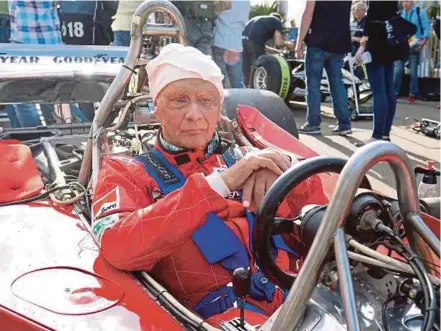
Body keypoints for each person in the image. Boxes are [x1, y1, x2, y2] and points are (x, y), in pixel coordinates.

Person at [92, 44, 328, 322]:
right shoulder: (126, 172)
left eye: (206, 101)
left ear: (219, 109)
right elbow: (118, 247)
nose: (194, 114)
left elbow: (325, 212)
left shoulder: (250, 158)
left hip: (302, 297)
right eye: (179, 100)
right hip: (215, 317)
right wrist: (220, 184)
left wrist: (284, 167)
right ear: (156, 108)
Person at [355, 1, 410, 145]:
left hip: (376, 45)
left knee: (379, 91)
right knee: (388, 90)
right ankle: (385, 133)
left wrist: (362, 46)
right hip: (390, 44)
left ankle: (377, 135)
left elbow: (371, 21)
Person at [296, 1, 352, 136]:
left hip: (318, 41)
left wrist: (299, 42)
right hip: (339, 42)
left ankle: (313, 124)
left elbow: (307, 15)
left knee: (313, 84)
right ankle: (344, 123)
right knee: (337, 83)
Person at [393, 1, 431, 104]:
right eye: (404, 1)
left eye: (408, 0)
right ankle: (394, 93)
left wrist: (423, 42)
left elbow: (426, 28)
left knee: (413, 72)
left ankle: (412, 94)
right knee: (397, 70)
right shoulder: (401, 13)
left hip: (415, 43)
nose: (406, 3)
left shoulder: (420, 12)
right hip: (403, 44)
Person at [242, 13, 295, 85]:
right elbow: (279, 43)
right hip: (253, 42)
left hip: (242, 41)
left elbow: (262, 47)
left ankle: (246, 90)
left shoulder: (259, 20)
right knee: (257, 68)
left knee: (246, 70)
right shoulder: (276, 21)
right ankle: (256, 92)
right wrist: (289, 45)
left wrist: (279, 52)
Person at [212, 0, 250, 88]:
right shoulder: (246, 2)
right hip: (236, 44)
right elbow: (244, 22)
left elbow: (213, 12)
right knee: (237, 81)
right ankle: (240, 100)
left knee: (220, 80)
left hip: (221, 41)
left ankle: (222, 101)